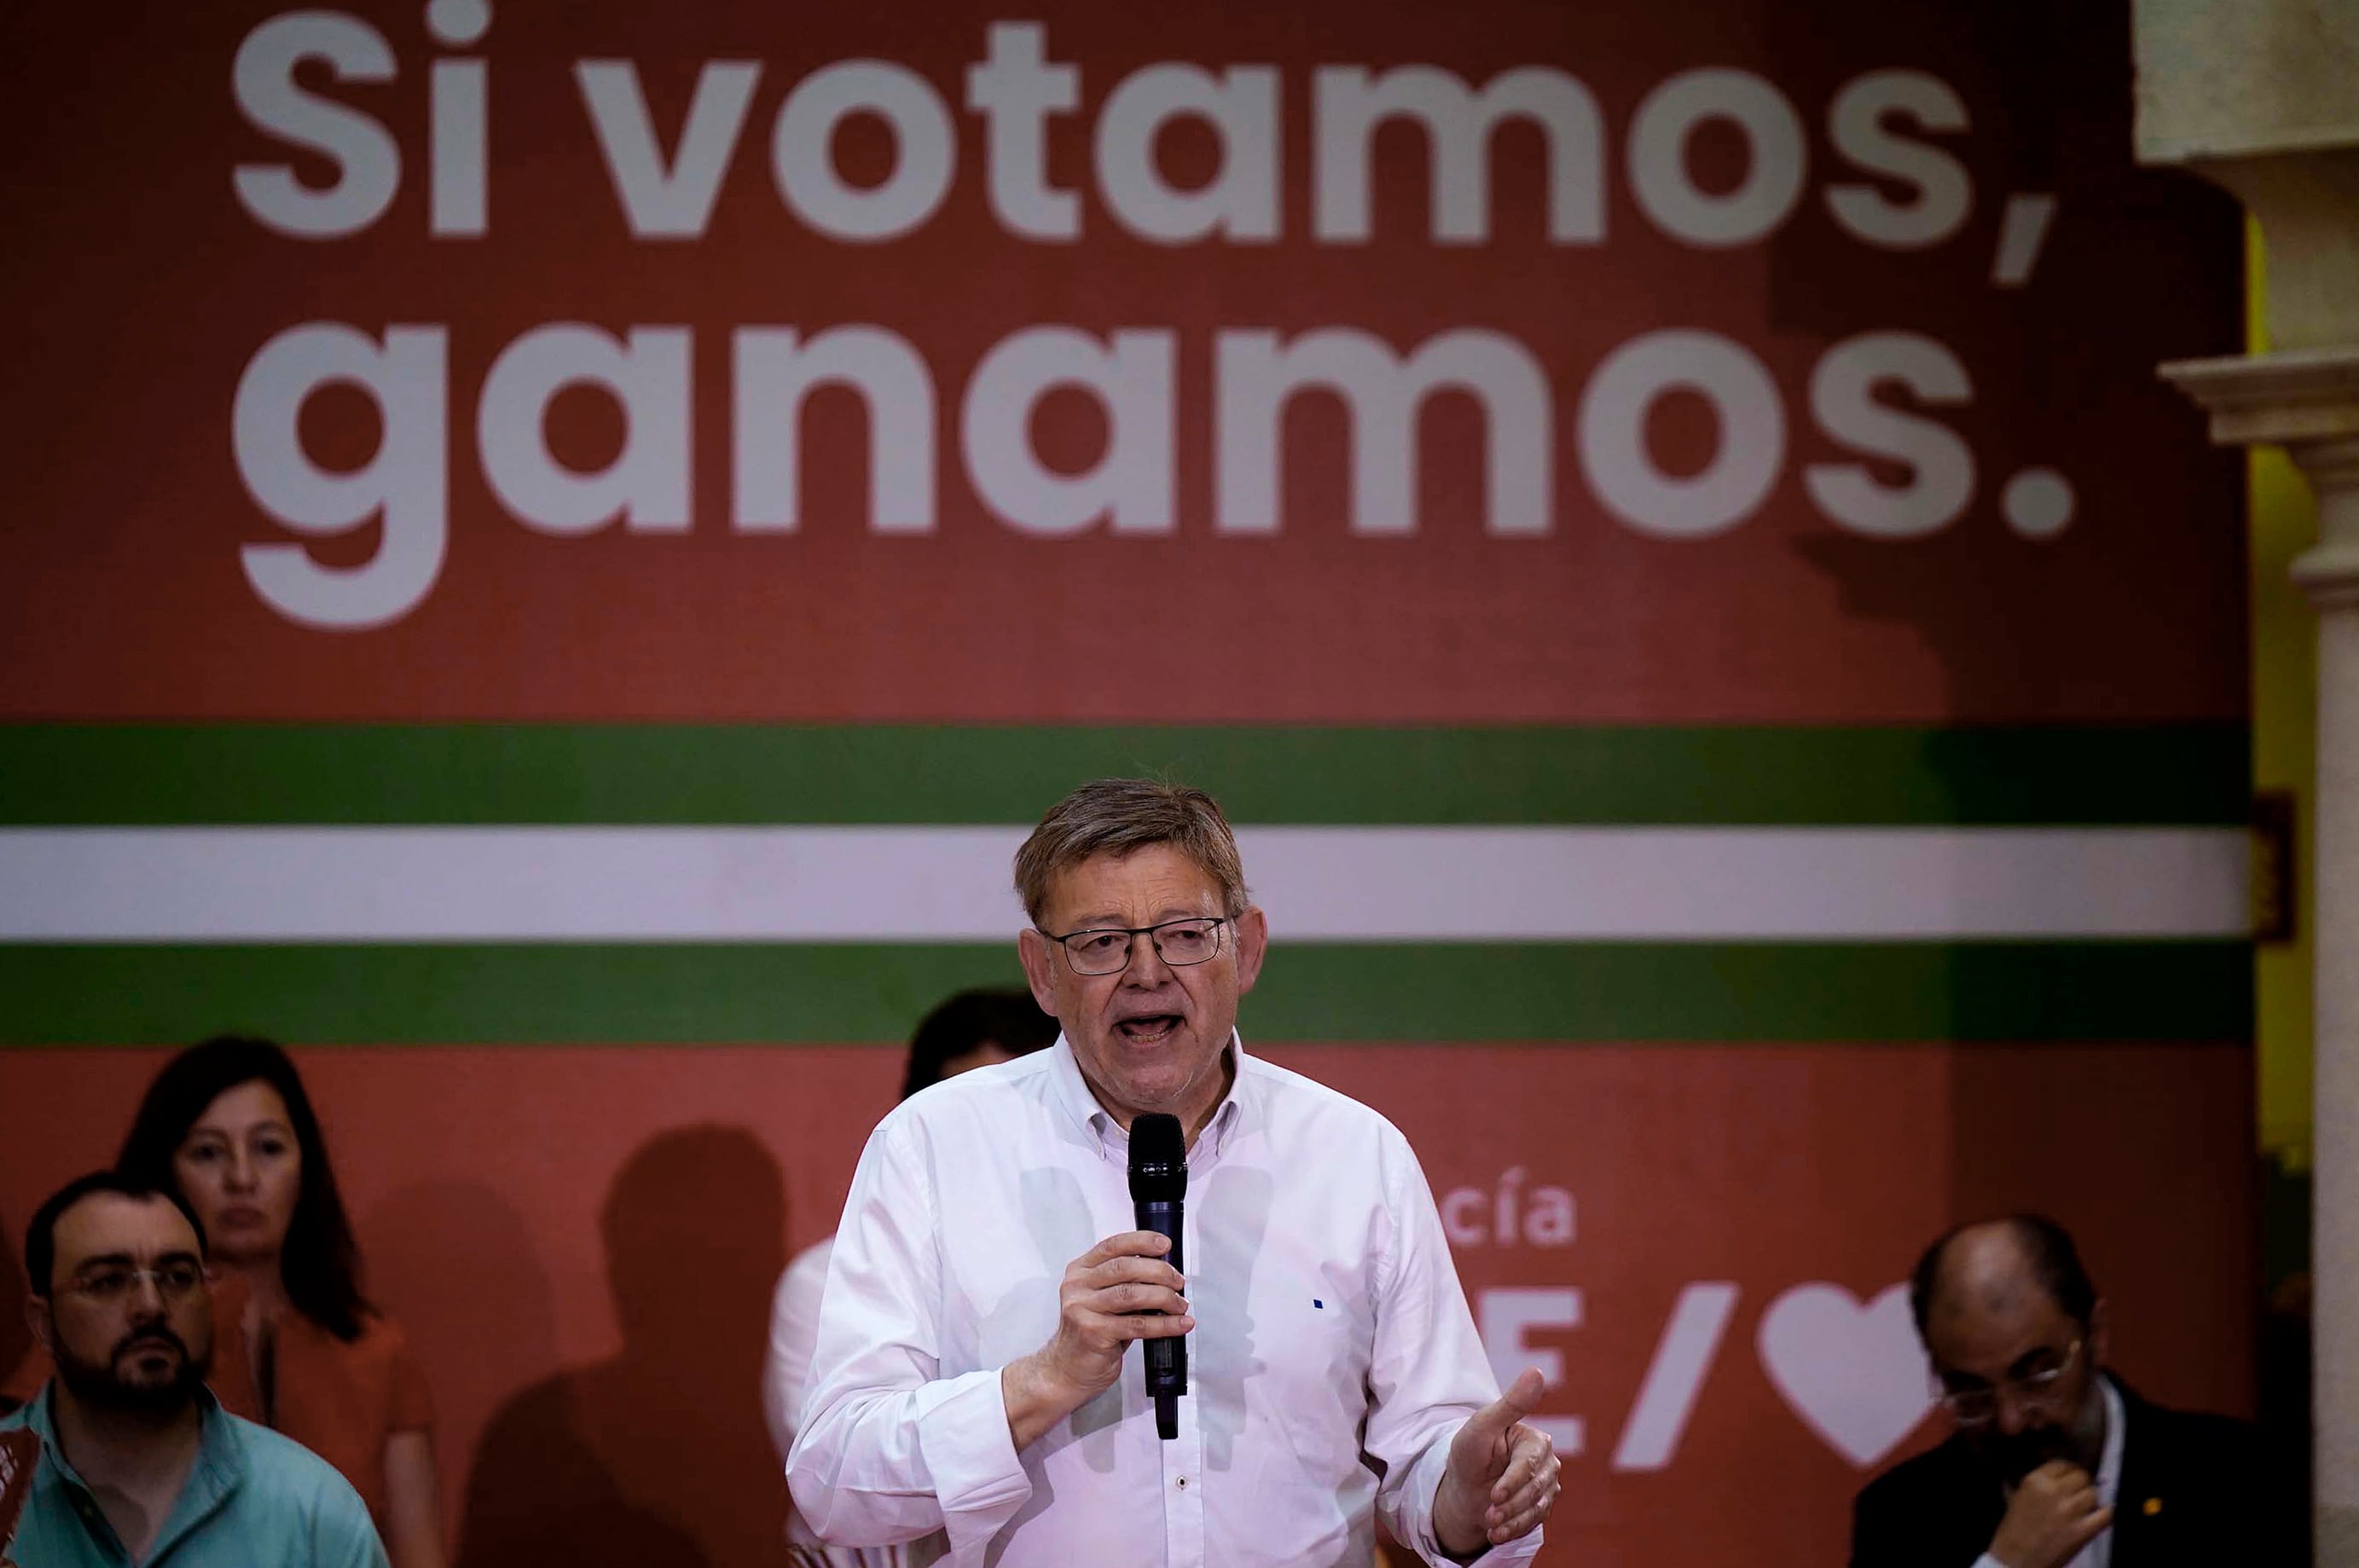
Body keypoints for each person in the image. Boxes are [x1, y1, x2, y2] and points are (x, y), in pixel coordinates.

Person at [787, 779, 1561, 1567]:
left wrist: (1467, 1499)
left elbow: (1432, 1461)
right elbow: (834, 1478)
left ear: (1248, 947)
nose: (1146, 972)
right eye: (1100, 942)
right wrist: (1042, 1381)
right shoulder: (932, 1147)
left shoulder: (1357, 1156)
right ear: (1042, 973)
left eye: (1185, 934)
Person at [2, 1037, 443, 1568]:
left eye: (268, 1148)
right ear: (164, 1170)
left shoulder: (374, 1350)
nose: (241, 1178)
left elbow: (421, 1556)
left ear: (306, 1166)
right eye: (209, 1152)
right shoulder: (96, 1341)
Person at [762, 988, 1059, 1567]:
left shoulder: (1094, 1278)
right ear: (914, 1117)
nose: (988, 1148)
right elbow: (849, 1489)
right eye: (962, 1117)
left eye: (1009, 1117)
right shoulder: (820, 1283)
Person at [2, 1170, 387, 1566]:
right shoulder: (6, 1483)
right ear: (43, 1323)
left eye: (177, 1277)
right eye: (108, 1281)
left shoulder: (314, 1514)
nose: (151, 1305)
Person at [1850, 1214, 2260, 1568]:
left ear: (2096, 1334)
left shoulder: (2232, 1474)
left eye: (2037, 1374)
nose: (2011, 1420)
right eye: (1971, 1391)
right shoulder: (1901, 1513)